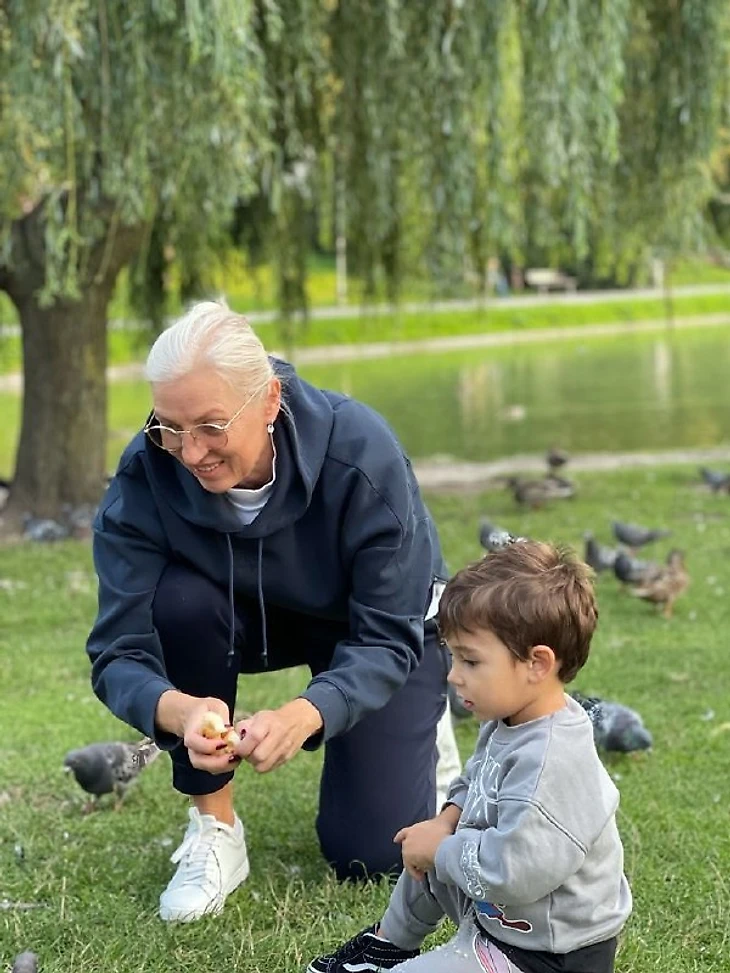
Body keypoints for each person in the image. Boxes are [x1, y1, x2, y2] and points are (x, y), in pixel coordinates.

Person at [86, 300, 457, 922]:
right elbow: (118, 651)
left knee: (369, 853)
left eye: (208, 425)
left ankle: (426, 735)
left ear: (268, 400)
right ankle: (216, 830)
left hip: (371, 628)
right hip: (237, 620)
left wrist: (307, 712)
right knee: (178, 601)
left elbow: (390, 635)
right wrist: (179, 712)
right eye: (168, 426)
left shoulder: (362, 449)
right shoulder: (144, 474)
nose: (189, 451)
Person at [307, 541, 633, 973]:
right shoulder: (510, 720)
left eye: (471, 661)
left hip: (546, 955)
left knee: (436, 851)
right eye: (453, 655)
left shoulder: (552, 762)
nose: (453, 674)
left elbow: (517, 872)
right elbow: (476, 780)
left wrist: (443, 847)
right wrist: (446, 821)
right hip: (502, 916)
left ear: (537, 663)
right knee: (427, 848)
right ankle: (388, 944)